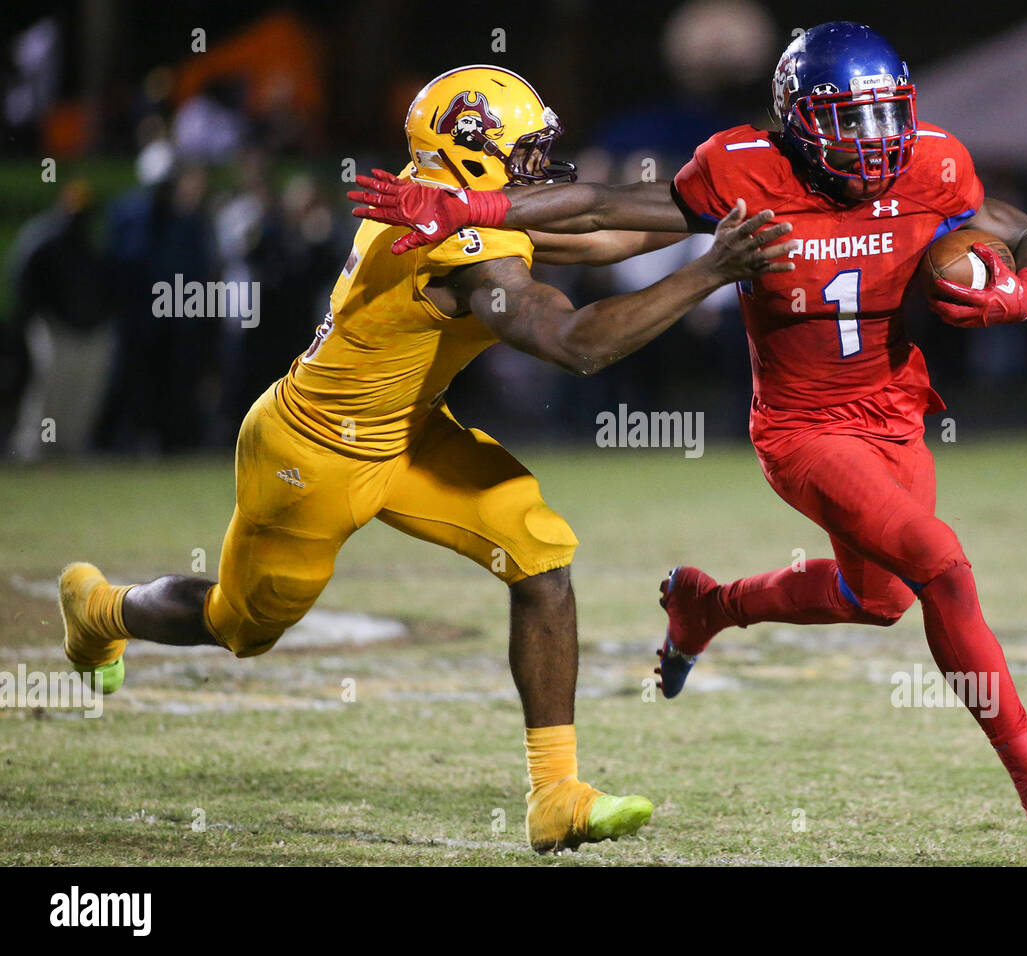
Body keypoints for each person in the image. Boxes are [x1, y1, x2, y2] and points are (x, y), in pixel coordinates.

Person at [351, 25, 1027, 851]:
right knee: (941, 565)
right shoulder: (743, 165)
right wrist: (470, 207)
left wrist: (1025, 289)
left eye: (884, 116)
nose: (873, 140)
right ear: (795, 118)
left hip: (895, 413)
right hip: (802, 428)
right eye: (847, 120)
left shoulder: (932, 160)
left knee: (884, 599)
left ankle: (707, 607)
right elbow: (610, 206)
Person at [58, 65, 792, 853]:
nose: (539, 167)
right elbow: (577, 345)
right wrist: (710, 270)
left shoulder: (439, 197)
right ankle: (100, 610)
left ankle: (556, 793)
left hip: (411, 431)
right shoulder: (461, 248)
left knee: (541, 554)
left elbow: (604, 230)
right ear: (468, 159)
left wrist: (731, 213)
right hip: (314, 453)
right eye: (523, 152)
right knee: (240, 626)